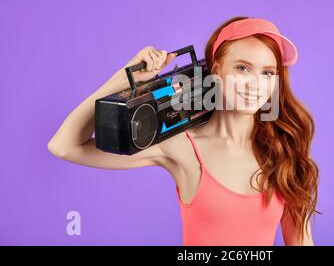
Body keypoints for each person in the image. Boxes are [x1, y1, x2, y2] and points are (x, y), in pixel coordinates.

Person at [48, 16, 319, 246]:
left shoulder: (285, 152)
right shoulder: (180, 145)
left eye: (268, 73)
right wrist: (121, 80)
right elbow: (65, 146)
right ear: (216, 71)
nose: (255, 84)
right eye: (242, 68)